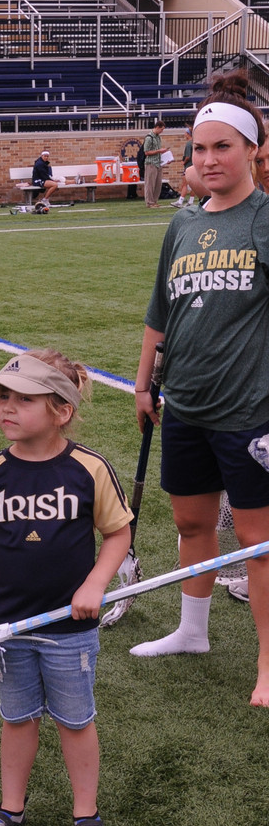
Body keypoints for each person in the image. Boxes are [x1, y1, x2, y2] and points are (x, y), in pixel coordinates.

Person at [0, 349, 132, 826]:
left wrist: (96, 583)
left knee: (75, 720)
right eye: (3, 397)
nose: (6, 408)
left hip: (69, 629)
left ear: (61, 410)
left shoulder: (88, 469)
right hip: (9, 628)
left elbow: (119, 533)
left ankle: (86, 815)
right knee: (17, 718)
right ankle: (11, 808)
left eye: (23, 399)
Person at [131, 70, 269, 709]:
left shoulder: (265, 218)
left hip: (250, 409)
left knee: (257, 541)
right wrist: (141, 385)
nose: (209, 159)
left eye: (223, 147)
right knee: (190, 521)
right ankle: (192, 630)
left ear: (251, 151)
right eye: (200, 149)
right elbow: (162, 312)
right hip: (183, 402)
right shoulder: (182, 225)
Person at [143, 119, 169, 208]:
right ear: (157, 127)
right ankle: (149, 202)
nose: (162, 131)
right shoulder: (149, 137)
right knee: (150, 184)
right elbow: (146, 152)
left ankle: (154, 201)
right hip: (151, 163)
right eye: (161, 129)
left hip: (158, 162)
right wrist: (159, 151)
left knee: (158, 184)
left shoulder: (158, 137)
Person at [171, 125, 195, 208]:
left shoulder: (189, 143)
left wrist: (183, 162)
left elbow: (187, 156)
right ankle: (191, 201)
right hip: (194, 166)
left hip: (188, 166)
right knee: (193, 185)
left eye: (185, 132)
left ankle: (180, 201)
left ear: (188, 134)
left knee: (184, 184)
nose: (184, 134)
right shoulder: (194, 142)